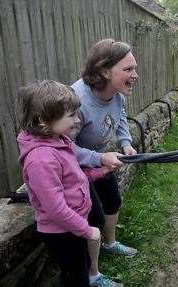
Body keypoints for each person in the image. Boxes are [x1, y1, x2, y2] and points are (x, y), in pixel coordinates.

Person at [16, 80, 117, 287]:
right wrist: (87, 230)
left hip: (73, 226)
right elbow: (56, 209)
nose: (77, 120)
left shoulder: (60, 141)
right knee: (75, 276)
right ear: (44, 119)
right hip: (61, 232)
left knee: (82, 265)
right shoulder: (41, 159)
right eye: (71, 115)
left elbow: (75, 179)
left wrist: (101, 172)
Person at [71, 38, 139, 287]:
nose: (135, 75)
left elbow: (120, 116)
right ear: (104, 70)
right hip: (74, 169)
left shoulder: (118, 93)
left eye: (135, 68)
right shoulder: (75, 101)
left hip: (99, 160)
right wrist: (99, 158)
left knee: (113, 200)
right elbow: (63, 149)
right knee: (94, 219)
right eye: (128, 69)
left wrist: (125, 142)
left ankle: (109, 244)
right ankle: (93, 275)